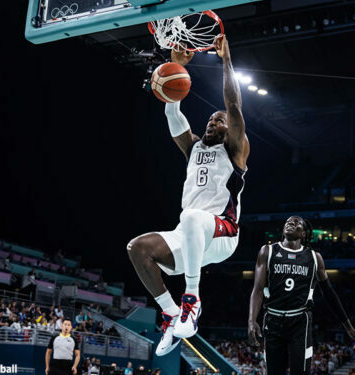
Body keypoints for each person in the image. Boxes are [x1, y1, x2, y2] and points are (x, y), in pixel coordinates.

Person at [127, 34, 249, 357]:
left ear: (229, 128)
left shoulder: (235, 150)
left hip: (223, 232)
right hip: (190, 236)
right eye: (211, 119)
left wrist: (226, 60)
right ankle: (171, 316)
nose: (213, 121)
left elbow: (234, 106)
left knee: (192, 217)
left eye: (218, 120)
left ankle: (191, 303)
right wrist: (175, 66)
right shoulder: (193, 147)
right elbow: (172, 115)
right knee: (138, 249)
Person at [248, 216, 355, 375]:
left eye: (296, 223)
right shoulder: (267, 251)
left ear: (303, 234)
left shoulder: (315, 258)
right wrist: (252, 320)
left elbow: (329, 293)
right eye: (287, 221)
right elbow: (258, 289)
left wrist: (348, 327)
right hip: (273, 320)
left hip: (300, 323)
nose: (290, 223)